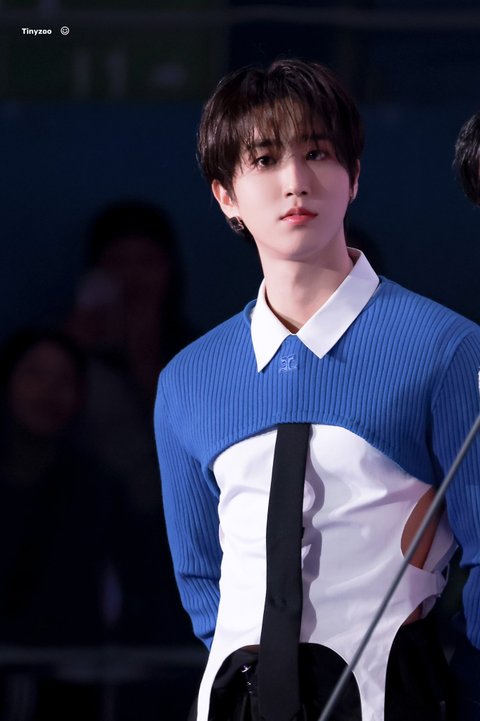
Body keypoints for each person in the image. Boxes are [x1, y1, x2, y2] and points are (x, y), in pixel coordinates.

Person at [154, 59, 480, 721]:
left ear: (354, 175)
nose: (295, 181)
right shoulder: (188, 378)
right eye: (264, 159)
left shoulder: (445, 348)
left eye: (317, 153)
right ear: (225, 195)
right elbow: (202, 580)